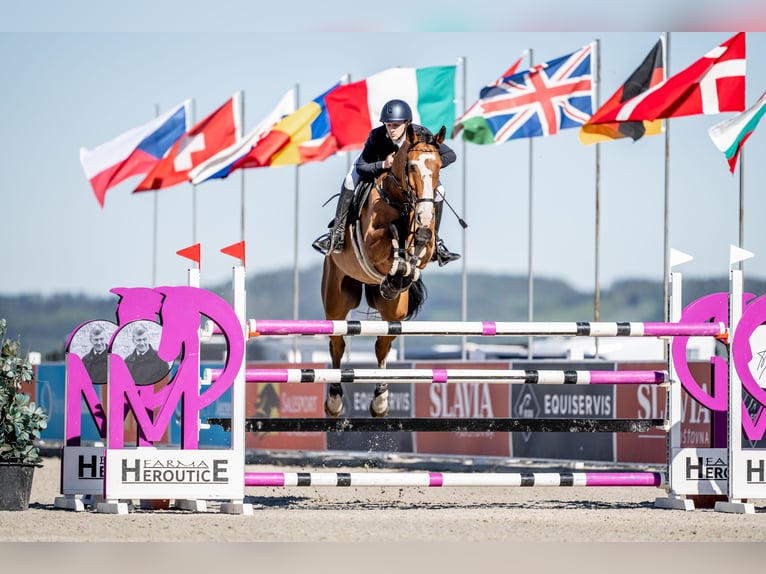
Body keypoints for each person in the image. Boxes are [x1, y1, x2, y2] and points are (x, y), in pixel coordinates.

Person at [312, 98, 460, 266]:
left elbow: (450, 155)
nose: (392, 129)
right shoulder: (376, 136)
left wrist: (425, 164)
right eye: (388, 125)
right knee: (349, 180)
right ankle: (337, 233)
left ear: (407, 123)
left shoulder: (422, 134)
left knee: (440, 190)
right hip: (377, 170)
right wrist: (383, 164)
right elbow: (361, 167)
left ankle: (436, 243)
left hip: (414, 174)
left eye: (396, 125)